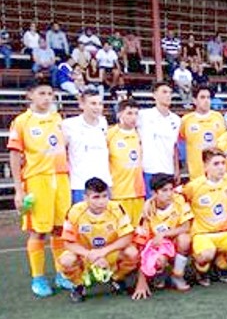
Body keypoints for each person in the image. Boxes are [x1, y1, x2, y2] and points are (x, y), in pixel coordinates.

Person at [7, 80, 73, 297]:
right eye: (42, 93)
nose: (47, 97)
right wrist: (19, 189)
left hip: (61, 179)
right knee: (38, 231)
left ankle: (61, 274)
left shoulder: (57, 118)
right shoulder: (21, 122)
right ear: (30, 96)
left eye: (50, 93)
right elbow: (15, 156)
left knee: (59, 230)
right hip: (37, 181)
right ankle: (38, 278)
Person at [59, 178, 139, 302]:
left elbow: (127, 237)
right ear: (85, 197)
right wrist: (90, 255)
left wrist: (104, 252)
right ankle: (79, 285)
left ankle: (116, 278)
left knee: (132, 253)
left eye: (105, 196)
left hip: (110, 252)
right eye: (96, 197)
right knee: (66, 261)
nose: (101, 202)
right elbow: (68, 243)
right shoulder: (74, 211)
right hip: (85, 254)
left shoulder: (117, 208)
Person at [182, 148, 227, 286]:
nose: (221, 167)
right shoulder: (194, 186)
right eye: (216, 164)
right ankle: (201, 269)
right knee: (206, 253)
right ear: (205, 166)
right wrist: (150, 203)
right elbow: (177, 198)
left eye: (222, 163)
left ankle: (221, 263)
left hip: (225, 232)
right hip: (203, 234)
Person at [132, 174, 194, 298]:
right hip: (158, 249)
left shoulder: (179, 200)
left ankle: (178, 276)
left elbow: (186, 227)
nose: (169, 193)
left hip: (175, 245)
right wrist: (141, 282)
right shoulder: (147, 212)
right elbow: (141, 247)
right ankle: (159, 274)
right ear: (154, 193)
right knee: (158, 260)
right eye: (164, 190)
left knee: (185, 239)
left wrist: (163, 234)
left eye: (171, 189)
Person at [62, 88, 111, 204]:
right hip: (80, 185)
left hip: (104, 184)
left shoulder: (103, 123)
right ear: (82, 104)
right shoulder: (69, 125)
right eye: (93, 103)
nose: (97, 107)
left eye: (100, 104)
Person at [137, 82, 181, 199]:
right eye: (164, 92)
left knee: (166, 205)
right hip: (149, 169)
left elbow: (174, 146)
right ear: (154, 95)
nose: (168, 95)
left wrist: (176, 169)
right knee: (150, 204)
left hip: (168, 170)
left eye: (170, 93)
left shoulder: (176, 120)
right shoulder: (143, 116)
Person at [107, 99, 145, 226]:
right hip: (119, 192)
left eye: (136, 113)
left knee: (137, 229)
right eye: (129, 113)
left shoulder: (141, 133)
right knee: (121, 229)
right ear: (119, 115)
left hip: (138, 191)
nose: (133, 117)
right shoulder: (110, 134)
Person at [180, 85, 226, 180]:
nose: (206, 100)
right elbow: (180, 141)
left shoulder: (218, 117)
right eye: (202, 97)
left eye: (208, 97)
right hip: (196, 174)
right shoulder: (186, 120)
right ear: (194, 100)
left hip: (216, 174)